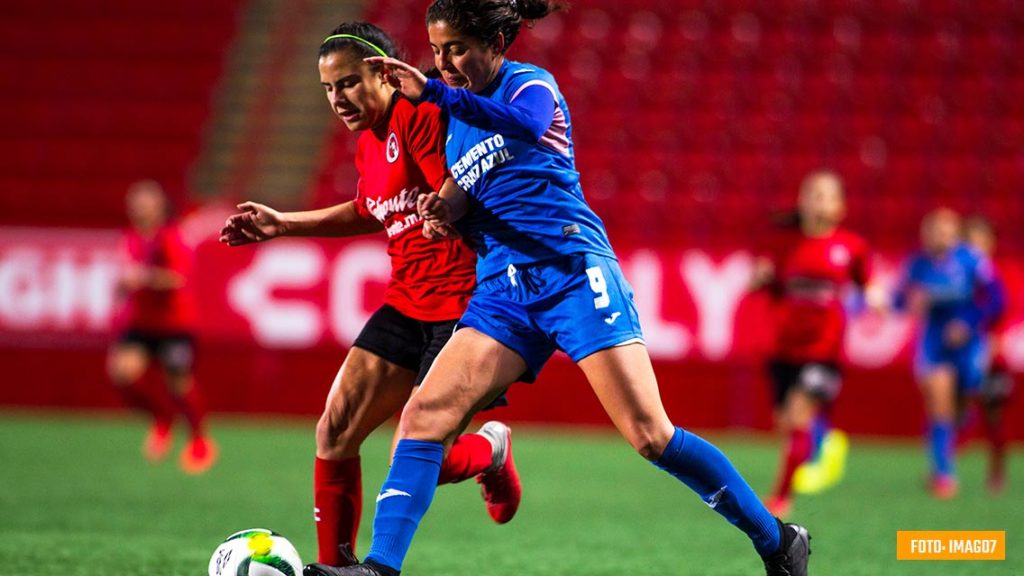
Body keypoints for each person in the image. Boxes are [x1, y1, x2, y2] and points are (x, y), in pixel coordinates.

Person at [307, 2, 811, 575]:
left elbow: (522, 126)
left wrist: (438, 95)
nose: (445, 63)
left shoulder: (529, 84)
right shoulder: (456, 127)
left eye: (458, 49)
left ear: (497, 41)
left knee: (651, 435)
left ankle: (777, 540)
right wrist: (442, 208)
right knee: (424, 418)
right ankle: (379, 568)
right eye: (439, 51)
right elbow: (471, 189)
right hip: (503, 287)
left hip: (572, 270)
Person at [219, 22, 521, 569]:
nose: (339, 99)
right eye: (329, 89)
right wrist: (284, 223)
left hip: (467, 305)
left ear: (382, 72)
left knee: (424, 452)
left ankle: (491, 451)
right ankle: (336, 566)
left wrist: (448, 215)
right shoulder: (369, 143)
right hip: (406, 301)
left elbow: (468, 184)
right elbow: (368, 209)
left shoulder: (423, 118)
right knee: (335, 428)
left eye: (349, 83)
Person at [750, 171, 872, 517]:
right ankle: (825, 442)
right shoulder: (781, 242)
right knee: (784, 422)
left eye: (825, 195)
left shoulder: (850, 247)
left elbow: (868, 283)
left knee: (797, 416)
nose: (816, 201)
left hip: (824, 349)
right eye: (811, 193)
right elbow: (762, 283)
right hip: (785, 345)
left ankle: (781, 497)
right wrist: (757, 279)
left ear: (840, 207)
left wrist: (875, 299)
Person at [895, 208, 1004, 499]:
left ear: (956, 234)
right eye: (933, 230)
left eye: (946, 230)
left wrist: (968, 322)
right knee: (939, 400)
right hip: (934, 345)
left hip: (968, 346)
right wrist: (909, 301)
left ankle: (951, 444)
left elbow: (996, 298)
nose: (939, 236)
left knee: (961, 408)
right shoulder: (916, 265)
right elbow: (897, 300)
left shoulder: (972, 261)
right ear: (924, 234)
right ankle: (944, 473)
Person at [109, 179, 216, 474]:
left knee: (179, 384)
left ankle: (199, 439)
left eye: (145, 203)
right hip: (141, 323)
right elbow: (126, 278)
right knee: (122, 374)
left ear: (159, 206)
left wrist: (143, 278)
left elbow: (180, 278)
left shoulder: (171, 236)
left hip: (174, 324)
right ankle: (161, 418)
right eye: (135, 203)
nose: (139, 208)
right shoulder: (130, 238)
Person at [963, 215, 1012, 493]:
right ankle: (946, 467)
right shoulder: (960, 276)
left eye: (980, 240)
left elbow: (999, 310)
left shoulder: (992, 275)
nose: (974, 247)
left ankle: (997, 471)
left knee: (993, 415)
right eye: (969, 241)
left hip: (991, 358)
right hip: (964, 356)